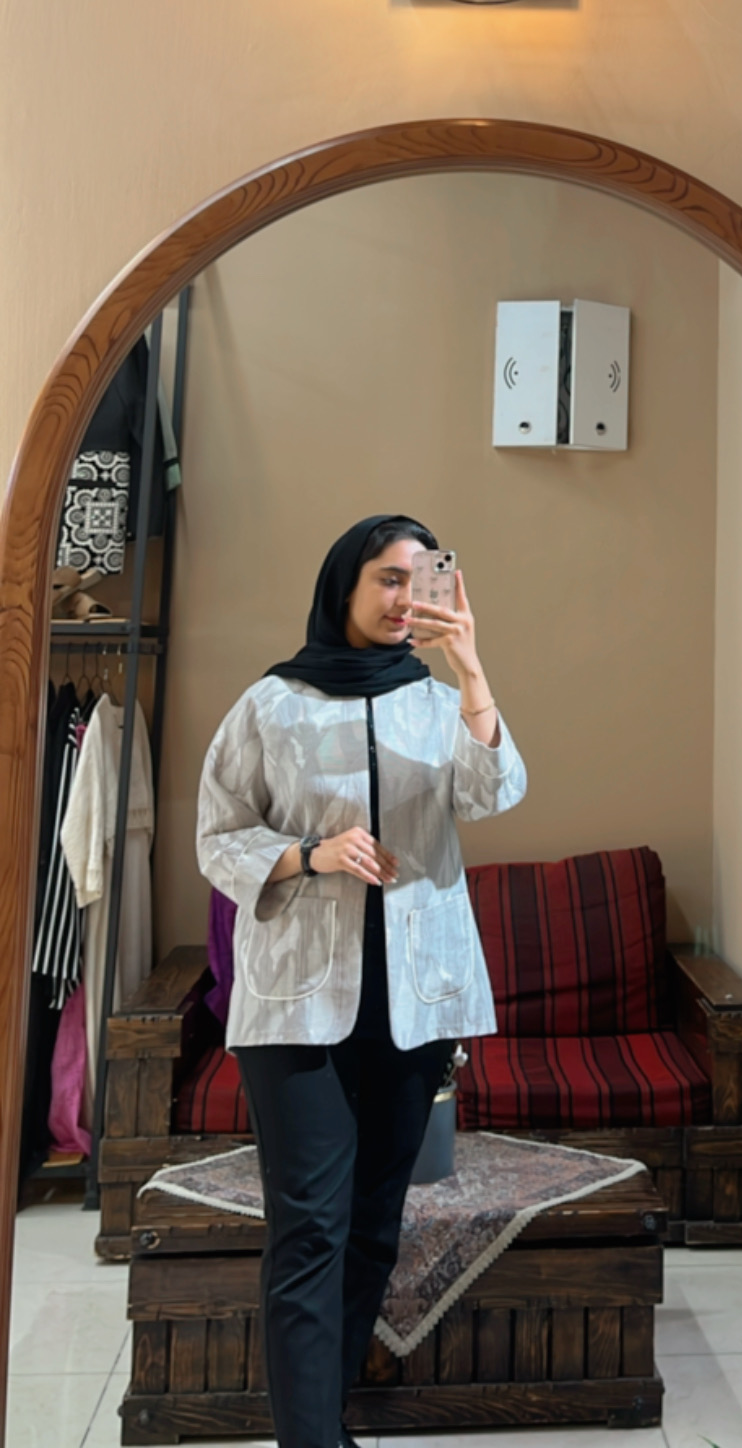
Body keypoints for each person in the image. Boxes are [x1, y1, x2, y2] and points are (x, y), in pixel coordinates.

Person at [196, 514, 526, 1448]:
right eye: (388, 578)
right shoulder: (271, 703)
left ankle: (325, 1419)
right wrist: (310, 853)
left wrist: (471, 671)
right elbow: (217, 836)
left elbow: (494, 793)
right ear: (344, 584)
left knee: (375, 1221)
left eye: (422, 581)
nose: (405, 599)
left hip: (414, 1004)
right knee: (309, 1227)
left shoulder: (438, 701)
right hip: (298, 1007)